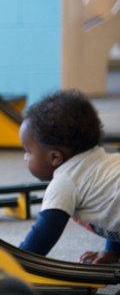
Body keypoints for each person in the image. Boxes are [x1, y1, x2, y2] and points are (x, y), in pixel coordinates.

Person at [18, 90, 120, 264]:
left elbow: (44, 232)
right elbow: (112, 207)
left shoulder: (64, 182)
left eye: (28, 152)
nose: (25, 157)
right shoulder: (103, 162)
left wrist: (16, 263)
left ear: (55, 158)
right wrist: (111, 251)